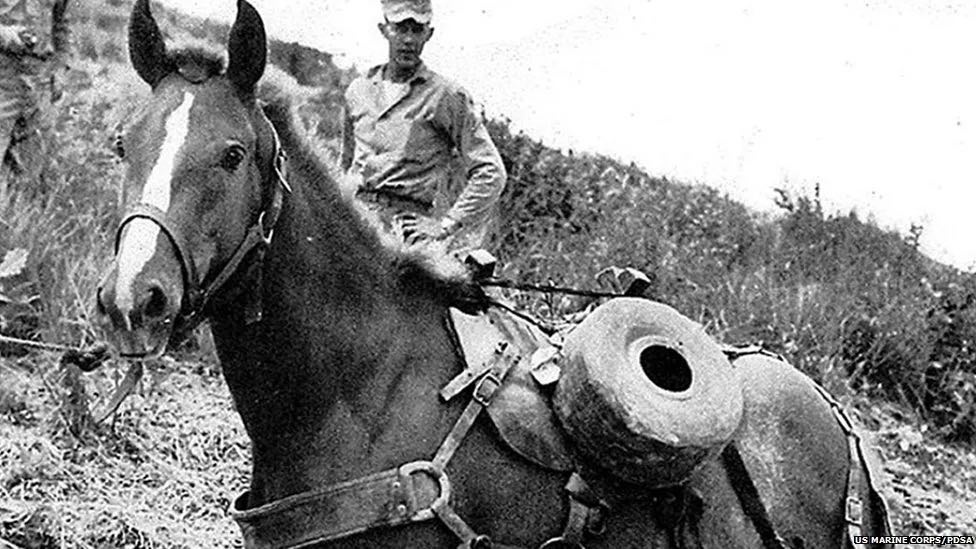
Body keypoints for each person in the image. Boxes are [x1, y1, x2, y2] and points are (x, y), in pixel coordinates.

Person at [341, 0, 506, 254]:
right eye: (400, 28)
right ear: (384, 30)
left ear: (429, 34)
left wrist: (446, 224)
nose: (408, 40)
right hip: (352, 222)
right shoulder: (358, 90)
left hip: (405, 235)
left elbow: (491, 171)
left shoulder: (446, 95)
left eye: (417, 30)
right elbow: (345, 164)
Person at [0, 0, 67, 178]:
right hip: (4, 69)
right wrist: (5, 34)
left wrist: (60, 66)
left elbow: (61, 21)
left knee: (30, 163)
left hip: (40, 75)